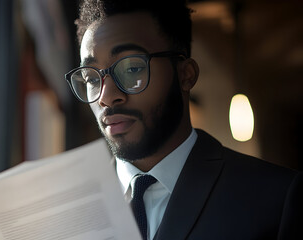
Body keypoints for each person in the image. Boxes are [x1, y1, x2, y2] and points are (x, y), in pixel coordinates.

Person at [64, 0, 302, 239]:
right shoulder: (69, 213)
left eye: (132, 69)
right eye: (91, 79)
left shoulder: (277, 198)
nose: (106, 97)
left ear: (185, 75)